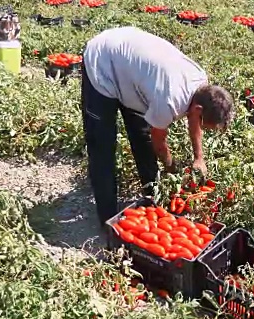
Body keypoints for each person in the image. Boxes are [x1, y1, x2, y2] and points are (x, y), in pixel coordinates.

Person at [81, 26, 234, 226]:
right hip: (103, 62)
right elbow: (159, 143)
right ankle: (108, 218)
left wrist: (199, 157)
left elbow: (193, 119)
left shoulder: (200, 82)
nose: (203, 128)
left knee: (141, 136)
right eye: (207, 126)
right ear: (198, 109)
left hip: (131, 68)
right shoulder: (169, 101)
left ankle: (152, 196)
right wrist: (171, 167)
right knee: (102, 146)